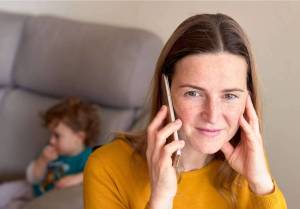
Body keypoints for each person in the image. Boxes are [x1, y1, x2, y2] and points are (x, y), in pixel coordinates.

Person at [83, 13, 287, 209]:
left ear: (247, 99)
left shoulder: (249, 164)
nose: (213, 115)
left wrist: (261, 184)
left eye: (230, 96)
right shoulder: (107, 167)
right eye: (193, 93)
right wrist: (160, 200)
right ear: (166, 91)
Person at [0, 97, 100, 209]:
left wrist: (78, 178)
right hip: (34, 189)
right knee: (6, 190)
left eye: (57, 136)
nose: (51, 140)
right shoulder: (51, 151)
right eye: (51, 134)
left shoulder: (89, 157)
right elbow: (33, 178)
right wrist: (43, 160)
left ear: (79, 137)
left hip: (50, 200)